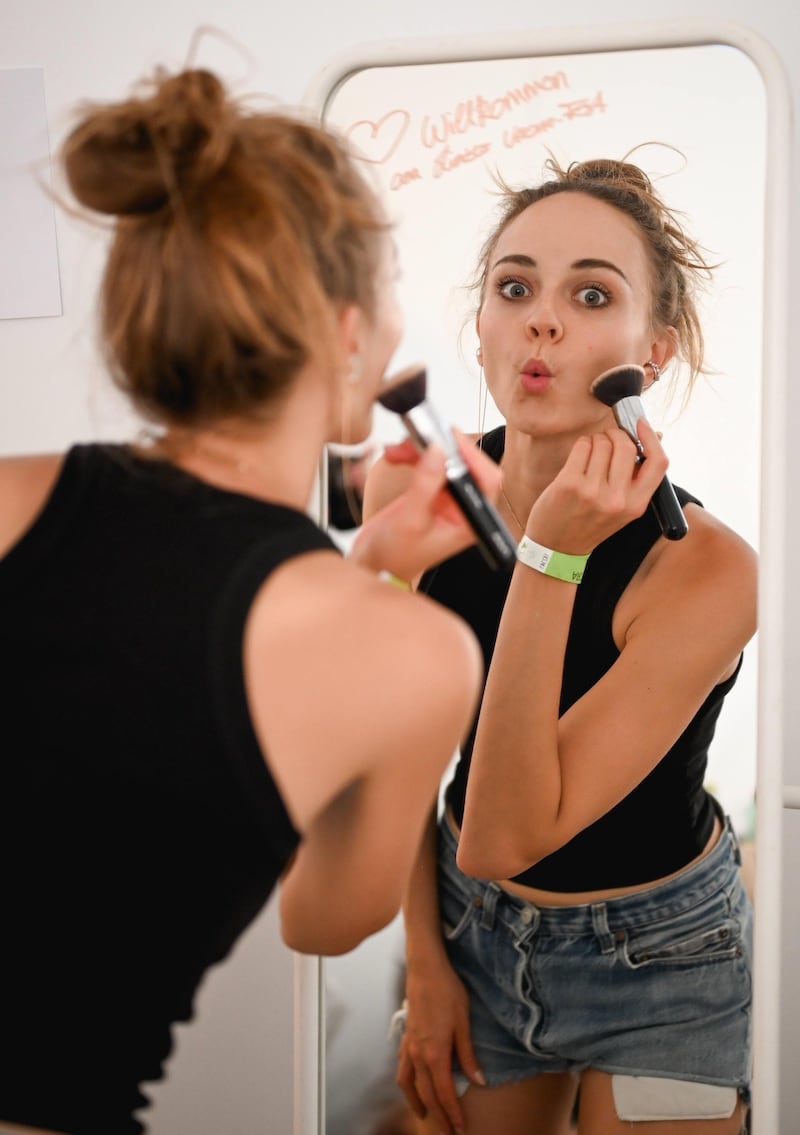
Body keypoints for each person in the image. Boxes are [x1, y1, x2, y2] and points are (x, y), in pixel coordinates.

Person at [0, 64, 504, 1135]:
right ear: (343, 331)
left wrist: (363, 554)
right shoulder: (415, 658)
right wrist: (381, 575)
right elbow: (322, 919)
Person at [363, 156, 757, 1135]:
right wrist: (426, 956)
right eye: (513, 287)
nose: (541, 319)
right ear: (482, 328)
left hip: (666, 958)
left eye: (589, 293)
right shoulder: (403, 494)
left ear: (650, 351)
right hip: (469, 934)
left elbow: (508, 832)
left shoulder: (704, 570)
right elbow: (393, 752)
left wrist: (547, 556)